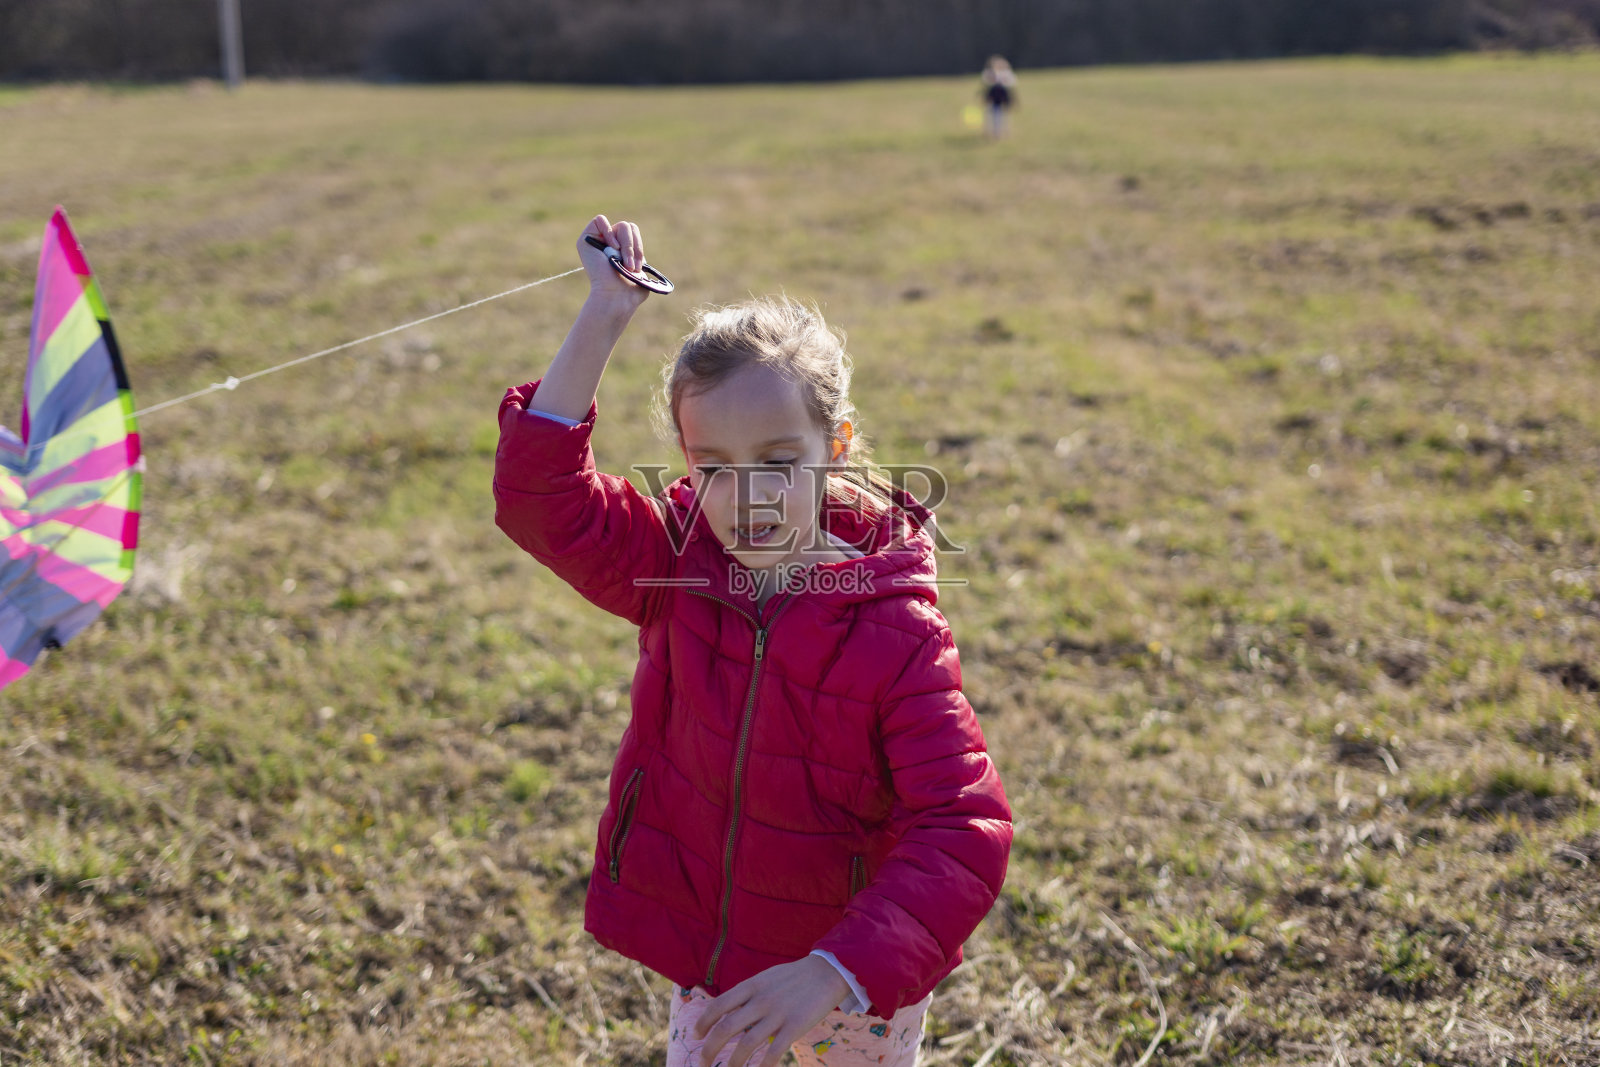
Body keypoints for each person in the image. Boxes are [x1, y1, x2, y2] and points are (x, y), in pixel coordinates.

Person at [493, 215, 1012, 1067]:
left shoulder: (894, 627)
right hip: (717, 962)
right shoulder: (675, 562)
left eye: (778, 460)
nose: (749, 498)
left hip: (845, 985)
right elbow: (539, 499)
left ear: (833, 448)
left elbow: (960, 820)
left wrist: (836, 967)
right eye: (716, 467)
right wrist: (603, 316)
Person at [979, 55, 1017, 139]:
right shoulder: (988, 73)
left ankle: (1004, 131)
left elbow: (1011, 83)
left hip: (1003, 96)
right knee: (991, 115)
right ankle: (993, 132)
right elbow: (986, 82)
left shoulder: (1007, 74)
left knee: (1005, 116)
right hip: (993, 97)